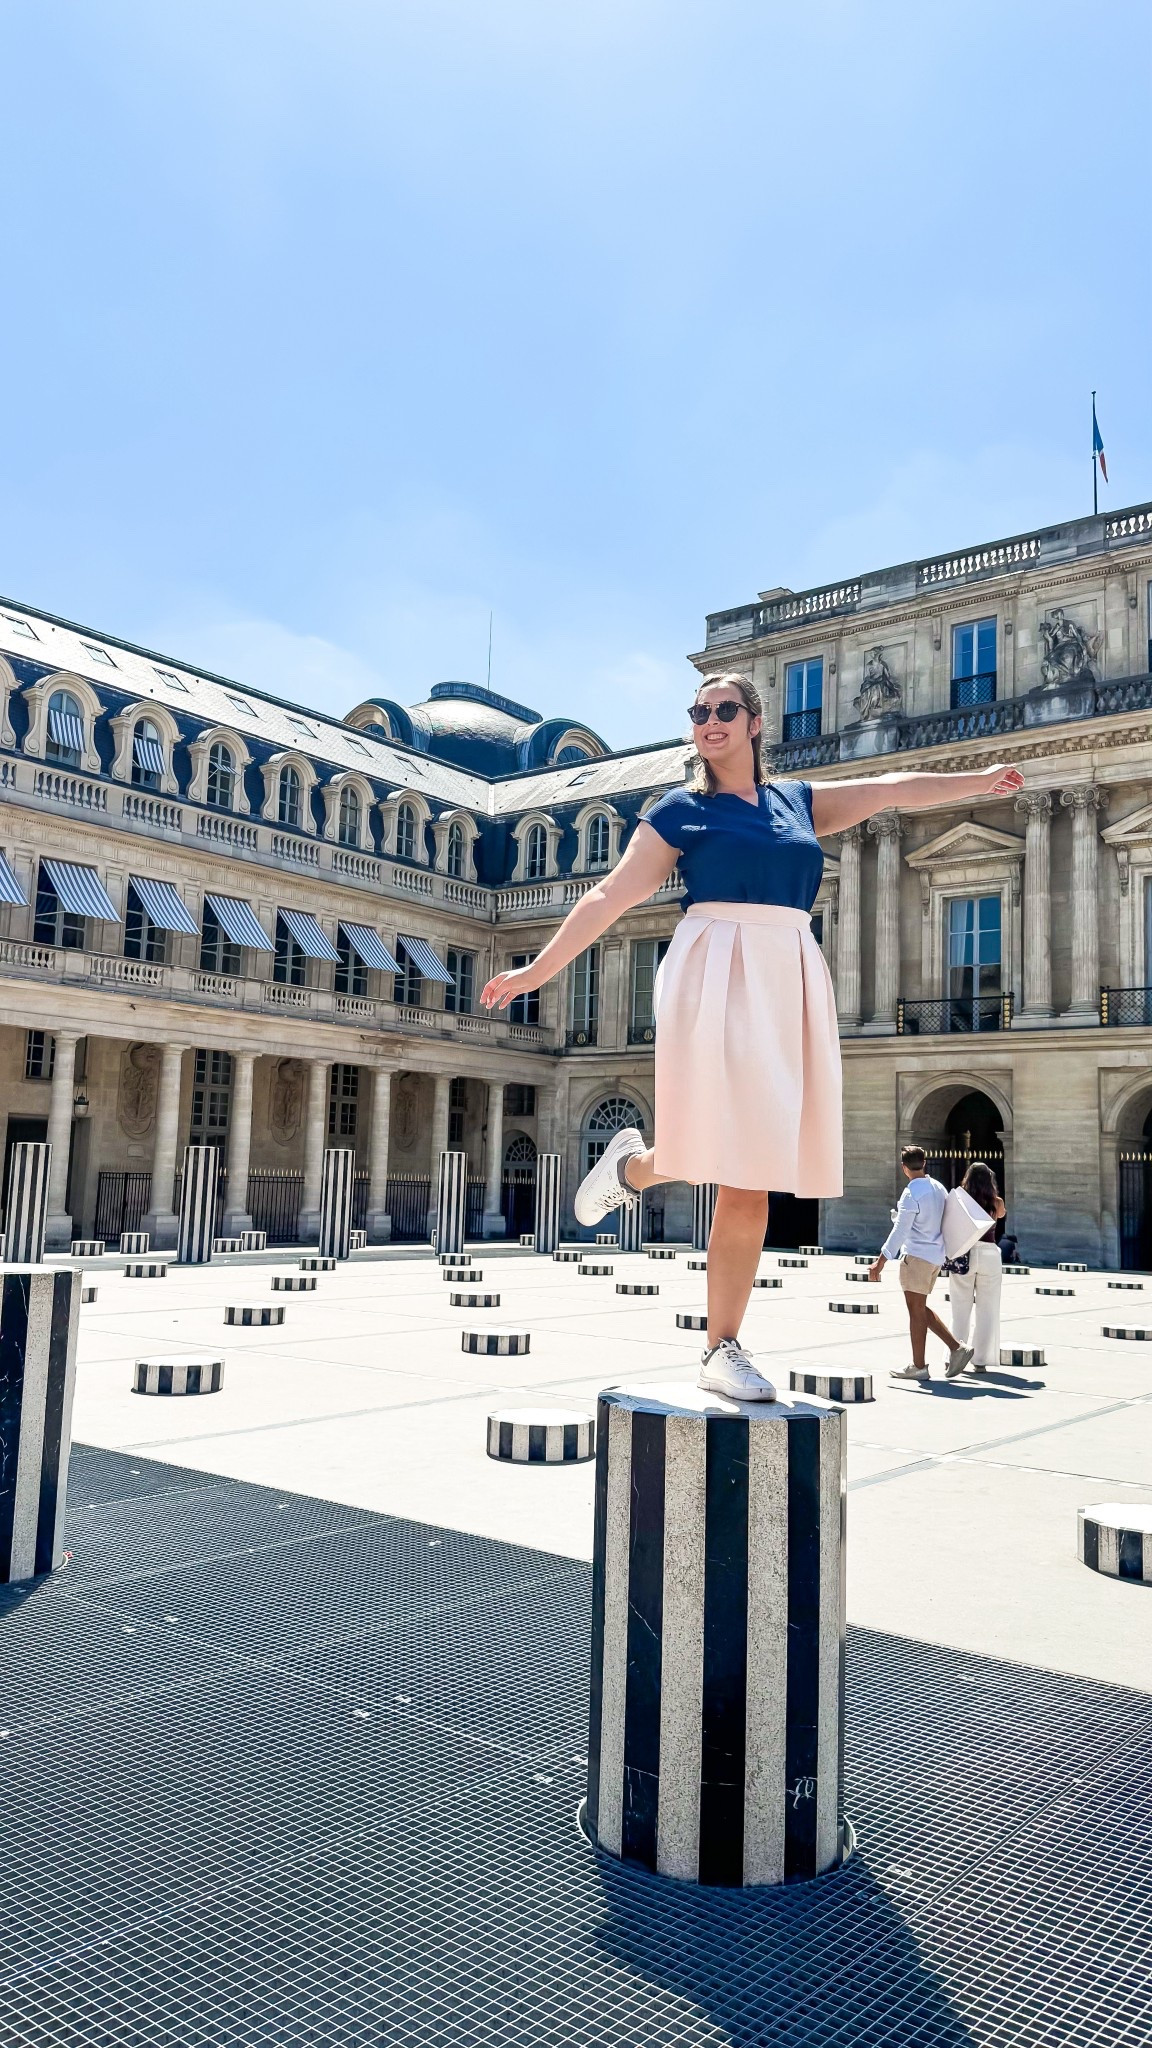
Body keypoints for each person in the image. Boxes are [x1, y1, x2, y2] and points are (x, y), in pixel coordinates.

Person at [481, 673, 1023, 1402]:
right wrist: (536, 971)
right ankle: (714, 1330)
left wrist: (978, 781)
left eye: (724, 709)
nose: (710, 720)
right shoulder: (680, 812)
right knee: (725, 1150)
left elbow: (891, 789)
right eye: (699, 711)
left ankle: (645, 1195)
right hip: (712, 969)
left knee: (754, 1165)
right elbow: (609, 894)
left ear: (755, 721)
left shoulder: (797, 801)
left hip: (789, 968)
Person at [870, 1145, 975, 1381]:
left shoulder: (911, 1194)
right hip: (935, 1257)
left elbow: (900, 1231)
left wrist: (881, 1261)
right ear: (924, 1163)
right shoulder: (938, 1187)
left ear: (904, 1167)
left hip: (917, 1256)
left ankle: (921, 1365)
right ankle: (955, 1349)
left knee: (915, 1311)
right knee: (919, 1309)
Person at [948, 1160, 1006, 1374]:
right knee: (987, 1309)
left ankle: (955, 1353)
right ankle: (981, 1359)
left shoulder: (961, 1199)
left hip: (965, 1253)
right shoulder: (996, 1201)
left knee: (960, 1309)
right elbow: (1001, 1214)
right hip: (990, 1254)